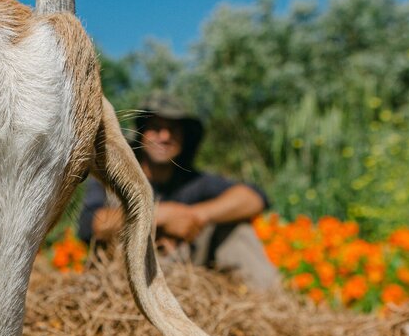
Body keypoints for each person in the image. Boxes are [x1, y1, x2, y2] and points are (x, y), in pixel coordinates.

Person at [77, 93, 280, 291]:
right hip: (120, 282)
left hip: (185, 278)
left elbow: (254, 197)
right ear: (141, 132)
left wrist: (196, 216)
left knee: (237, 229)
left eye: (173, 130)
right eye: (156, 128)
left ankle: (270, 303)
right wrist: (160, 215)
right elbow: (91, 225)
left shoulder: (196, 182)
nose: (164, 136)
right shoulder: (111, 177)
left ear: (184, 139)